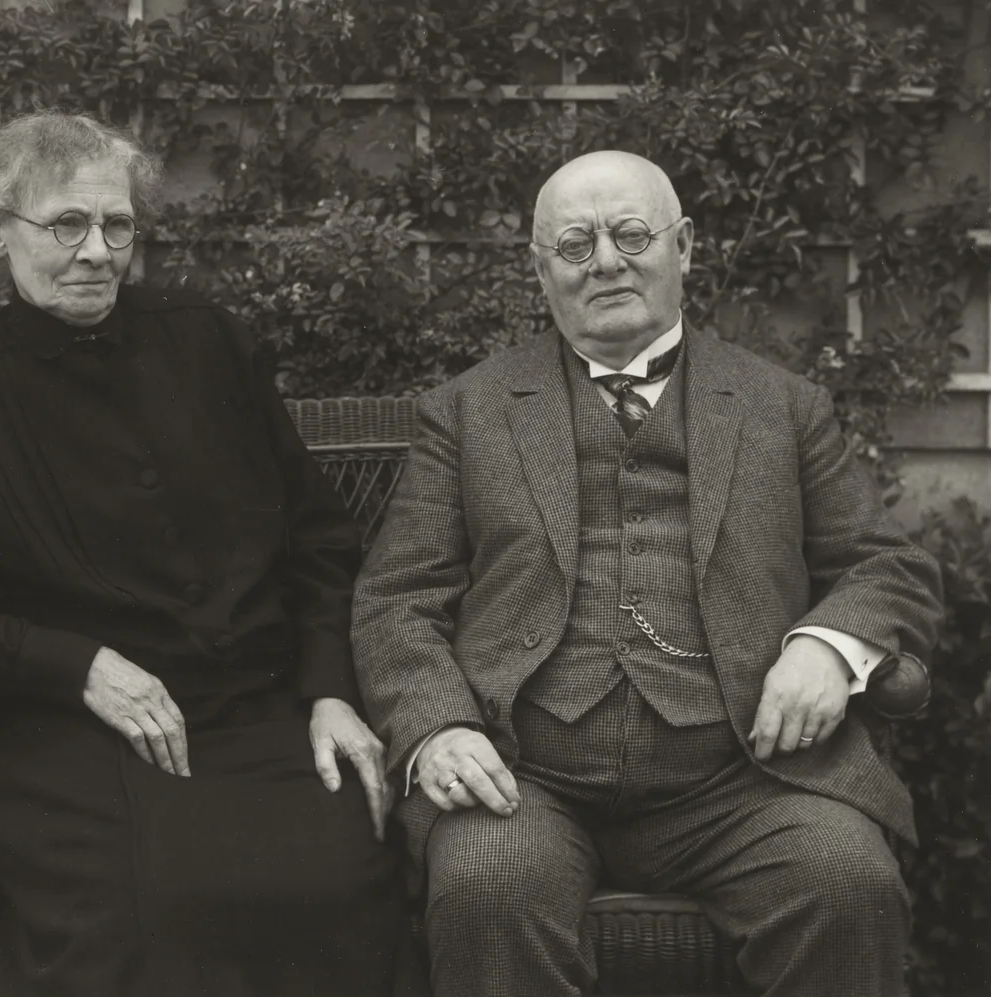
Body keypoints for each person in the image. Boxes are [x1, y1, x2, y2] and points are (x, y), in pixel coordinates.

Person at [350, 150, 943, 997]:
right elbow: (397, 599)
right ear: (540, 267)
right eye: (575, 242)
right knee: (489, 888)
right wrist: (438, 726)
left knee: (847, 883)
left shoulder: (784, 405)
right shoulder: (468, 410)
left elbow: (887, 562)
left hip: (744, 779)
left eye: (632, 233)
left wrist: (829, 644)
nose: (606, 261)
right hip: (527, 774)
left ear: (685, 247)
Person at [0, 110, 402, 997]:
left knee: (341, 873)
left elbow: (318, 537)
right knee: (152, 912)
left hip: (258, 718)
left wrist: (332, 688)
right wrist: (76, 664)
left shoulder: (210, 341)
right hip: (72, 741)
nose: (98, 251)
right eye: (66, 224)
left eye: (118, 226)